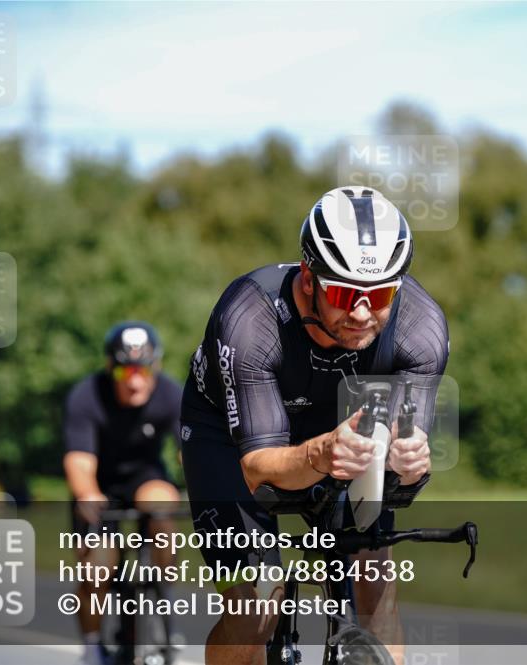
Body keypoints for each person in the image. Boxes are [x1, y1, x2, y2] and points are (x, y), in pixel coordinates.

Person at [180, 186, 449, 665]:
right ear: (309, 278)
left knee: (376, 586)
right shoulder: (250, 316)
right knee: (256, 608)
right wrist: (319, 453)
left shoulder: (420, 328)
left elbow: (402, 468)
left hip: (343, 431)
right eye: (344, 294)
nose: (362, 313)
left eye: (380, 295)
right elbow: (258, 468)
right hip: (229, 437)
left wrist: (409, 464)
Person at [63, 321, 184, 665]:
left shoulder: (171, 394)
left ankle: (162, 592)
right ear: (109, 367)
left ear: (156, 366)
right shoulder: (86, 396)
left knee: (162, 506)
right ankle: (92, 647)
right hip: (100, 484)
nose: (134, 382)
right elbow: (79, 460)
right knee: (97, 569)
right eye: (124, 372)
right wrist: (87, 494)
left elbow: (188, 451)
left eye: (143, 371)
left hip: (145, 478)